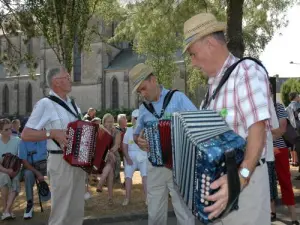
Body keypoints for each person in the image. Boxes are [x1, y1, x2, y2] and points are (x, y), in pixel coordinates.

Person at [183, 13, 271, 224]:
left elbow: (257, 128)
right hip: (221, 188)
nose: (193, 63)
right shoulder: (213, 88)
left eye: (193, 54)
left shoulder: (246, 71)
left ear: (211, 44)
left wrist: (240, 178)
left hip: (245, 188)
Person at [130, 63, 197, 225]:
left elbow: (197, 123)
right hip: (155, 166)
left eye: (144, 88)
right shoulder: (144, 108)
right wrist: (139, 141)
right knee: (154, 213)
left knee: (184, 212)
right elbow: (136, 134)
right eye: (140, 91)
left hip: (179, 165)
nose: (143, 94)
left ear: (153, 80)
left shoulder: (178, 98)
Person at [21, 67, 86, 225]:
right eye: (67, 77)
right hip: (60, 161)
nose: (70, 79)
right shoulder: (45, 104)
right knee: (61, 214)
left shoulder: (73, 105)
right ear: (56, 82)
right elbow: (25, 134)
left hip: (78, 162)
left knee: (76, 212)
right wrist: (52, 134)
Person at [271, 101, 299, 224]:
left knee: (285, 180)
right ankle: (272, 212)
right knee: (267, 182)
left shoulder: (278, 106)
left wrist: (265, 136)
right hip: (262, 150)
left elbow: (282, 128)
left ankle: (293, 216)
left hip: (278, 149)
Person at [18, 140, 50, 219]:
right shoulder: (22, 142)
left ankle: (59, 202)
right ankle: (30, 204)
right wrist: (37, 173)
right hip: (31, 167)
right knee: (28, 174)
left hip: (46, 164)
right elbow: (24, 161)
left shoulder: (45, 137)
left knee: (56, 170)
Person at [122, 109, 147, 206]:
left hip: (143, 155)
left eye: (138, 118)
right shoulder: (128, 131)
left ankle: (147, 198)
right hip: (130, 157)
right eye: (135, 118)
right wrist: (127, 157)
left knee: (145, 176)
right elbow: (124, 146)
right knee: (128, 176)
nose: (136, 120)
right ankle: (127, 198)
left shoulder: (145, 130)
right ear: (132, 119)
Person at [96, 113, 121, 205]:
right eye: (108, 122)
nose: (110, 124)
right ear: (104, 122)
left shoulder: (117, 132)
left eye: (111, 122)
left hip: (113, 155)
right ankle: (110, 197)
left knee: (110, 163)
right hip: (101, 157)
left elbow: (116, 145)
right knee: (110, 168)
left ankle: (101, 183)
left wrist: (110, 152)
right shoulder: (100, 131)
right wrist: (107, 153)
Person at [0, 118, 21, 220]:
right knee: (4, 178)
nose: (9, 132)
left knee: (16, 180)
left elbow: (20, 158)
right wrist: (6, 171)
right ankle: (7, 210)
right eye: (6, 130)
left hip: (15, 170)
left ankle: (6, 211)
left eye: (10, 129)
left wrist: (15, 171)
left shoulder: (17, 141)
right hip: (1, 170)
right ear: (0, 131)